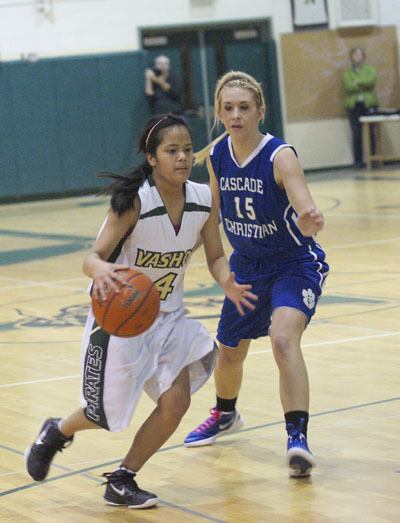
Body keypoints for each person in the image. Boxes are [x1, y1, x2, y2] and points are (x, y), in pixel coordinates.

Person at [25, 113, 257, 509]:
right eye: (171, 151)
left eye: (187, 149)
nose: (182, 157)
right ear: (152, 158)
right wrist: (101, 269)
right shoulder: (134, 203)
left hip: (168, 317)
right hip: (119, 321)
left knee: (176, 402)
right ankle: (58, 430)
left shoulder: (202, 200)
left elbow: (216, 255)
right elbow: (92, 258)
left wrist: (227, 280)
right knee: (105, 414)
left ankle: (123, 478)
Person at [183, 71, 329, 478]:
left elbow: (303, 204)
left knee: (283, 339)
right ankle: (225, 415)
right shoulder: (216, 157)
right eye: (228, 108)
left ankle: (297, 438)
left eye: (244, 107)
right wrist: (186, 255)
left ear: (260, 110)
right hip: (246, 266)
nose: (235, 114)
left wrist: (309, 217)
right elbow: (212, 218)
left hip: (292, 263)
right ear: (218, 112)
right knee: (229, 351)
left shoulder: (280, 156)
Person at [343, 47, 378, 168]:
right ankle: (358, 161)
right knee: (356, 134)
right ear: (351, 57)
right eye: (355, 54)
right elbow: (348, 86)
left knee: (371, 133)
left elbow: (371, 82)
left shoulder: (370, 69)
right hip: (354, 106)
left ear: (363, 55)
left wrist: (357, 82)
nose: (357, 56)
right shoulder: (347, 72)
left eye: (359, 54)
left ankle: (373, 159)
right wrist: (362, 83)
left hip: (368, 104)